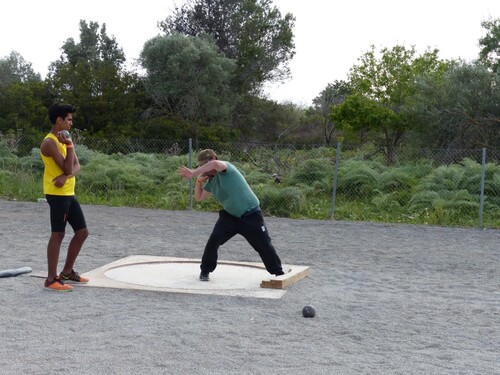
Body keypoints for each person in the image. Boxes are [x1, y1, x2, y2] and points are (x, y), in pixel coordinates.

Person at [177, 149, 285, 281]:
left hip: (250, 214)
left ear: (212, 160)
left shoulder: (227, 169)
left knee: (264, 245)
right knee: (214, 240)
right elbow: (199, 197)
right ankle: (205, 271)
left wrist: (193, 173)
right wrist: (198, 181)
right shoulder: (211, 182)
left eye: (205, 164)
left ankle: (278, 272)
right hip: (230, 217)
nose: (203, 168)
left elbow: (215, 164)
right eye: (201, 165)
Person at [39, 103, 89, 292]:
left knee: (82, 232)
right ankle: (51, 279)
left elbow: (76, 167)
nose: (71, 122)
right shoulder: (50, 142)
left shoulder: (66, 138)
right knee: (58, 234)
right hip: (56, 194)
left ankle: (67, 272)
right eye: (68, 119)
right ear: (58, 120)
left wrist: (66, 176)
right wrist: (68, 145)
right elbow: (68, 167)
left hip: (68, 192)